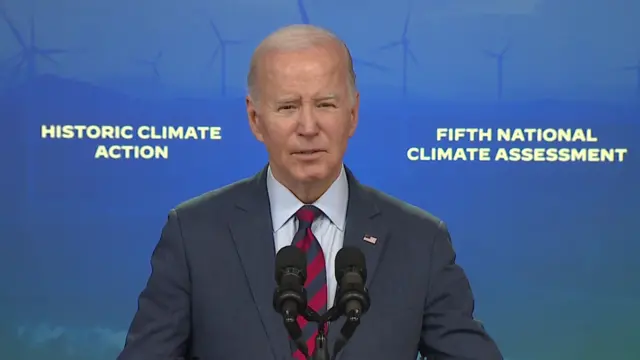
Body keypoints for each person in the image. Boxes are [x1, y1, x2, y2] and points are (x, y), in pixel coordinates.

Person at [117, 24, 503, 360]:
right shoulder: (194, 234)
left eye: (325, 104)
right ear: (255, 119)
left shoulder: (420, 241)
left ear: (352, 114)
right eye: (287, 107)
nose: (308, 126)